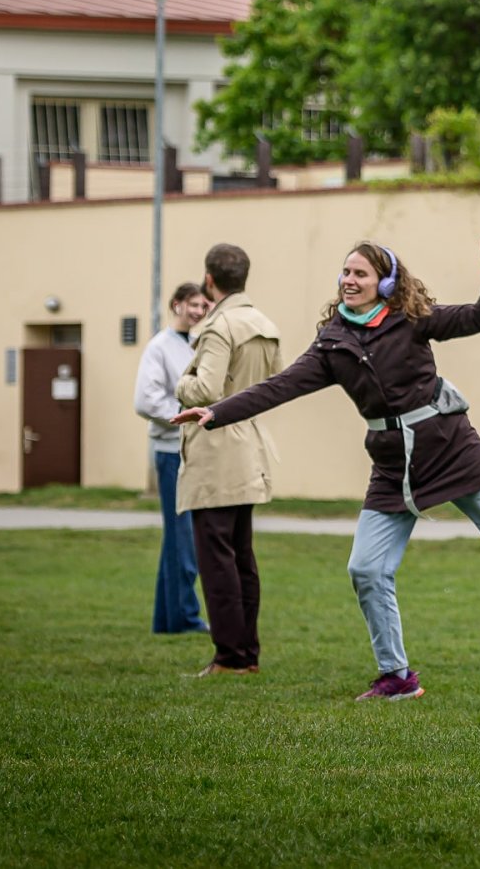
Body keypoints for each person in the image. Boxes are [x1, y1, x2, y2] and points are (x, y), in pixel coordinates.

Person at [177, 228, 480, 700]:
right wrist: (216, 412)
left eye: (359, 273)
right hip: (392, 466)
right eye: (345, 271)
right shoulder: (333, 343)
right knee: (366, 568)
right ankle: (397, 677)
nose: (348, 279)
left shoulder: (412, 318)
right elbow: (279, 387)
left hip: (452, 448)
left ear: (384, 282)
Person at [174, 243, 281, 677]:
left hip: (218, 451)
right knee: (241, 557)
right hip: (251, 445)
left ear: (209, 280)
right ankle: (247, 654)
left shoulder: (218, 328)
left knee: (216, 559)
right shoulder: (264, 323)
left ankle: (229, 657)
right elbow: (275, 381)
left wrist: (182, 381)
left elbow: (207, 389)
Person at [134, 280, 211, 635]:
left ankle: (167, 620)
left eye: (203, 306)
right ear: (176, 304)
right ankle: (185, 617)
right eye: (192, 304)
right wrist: (184, 412)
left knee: (177, 538)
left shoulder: (194, 343)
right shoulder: (159, 347)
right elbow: (146, 401)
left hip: (191, 450)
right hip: (170, 452)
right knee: (183, 538)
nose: (197, 311)